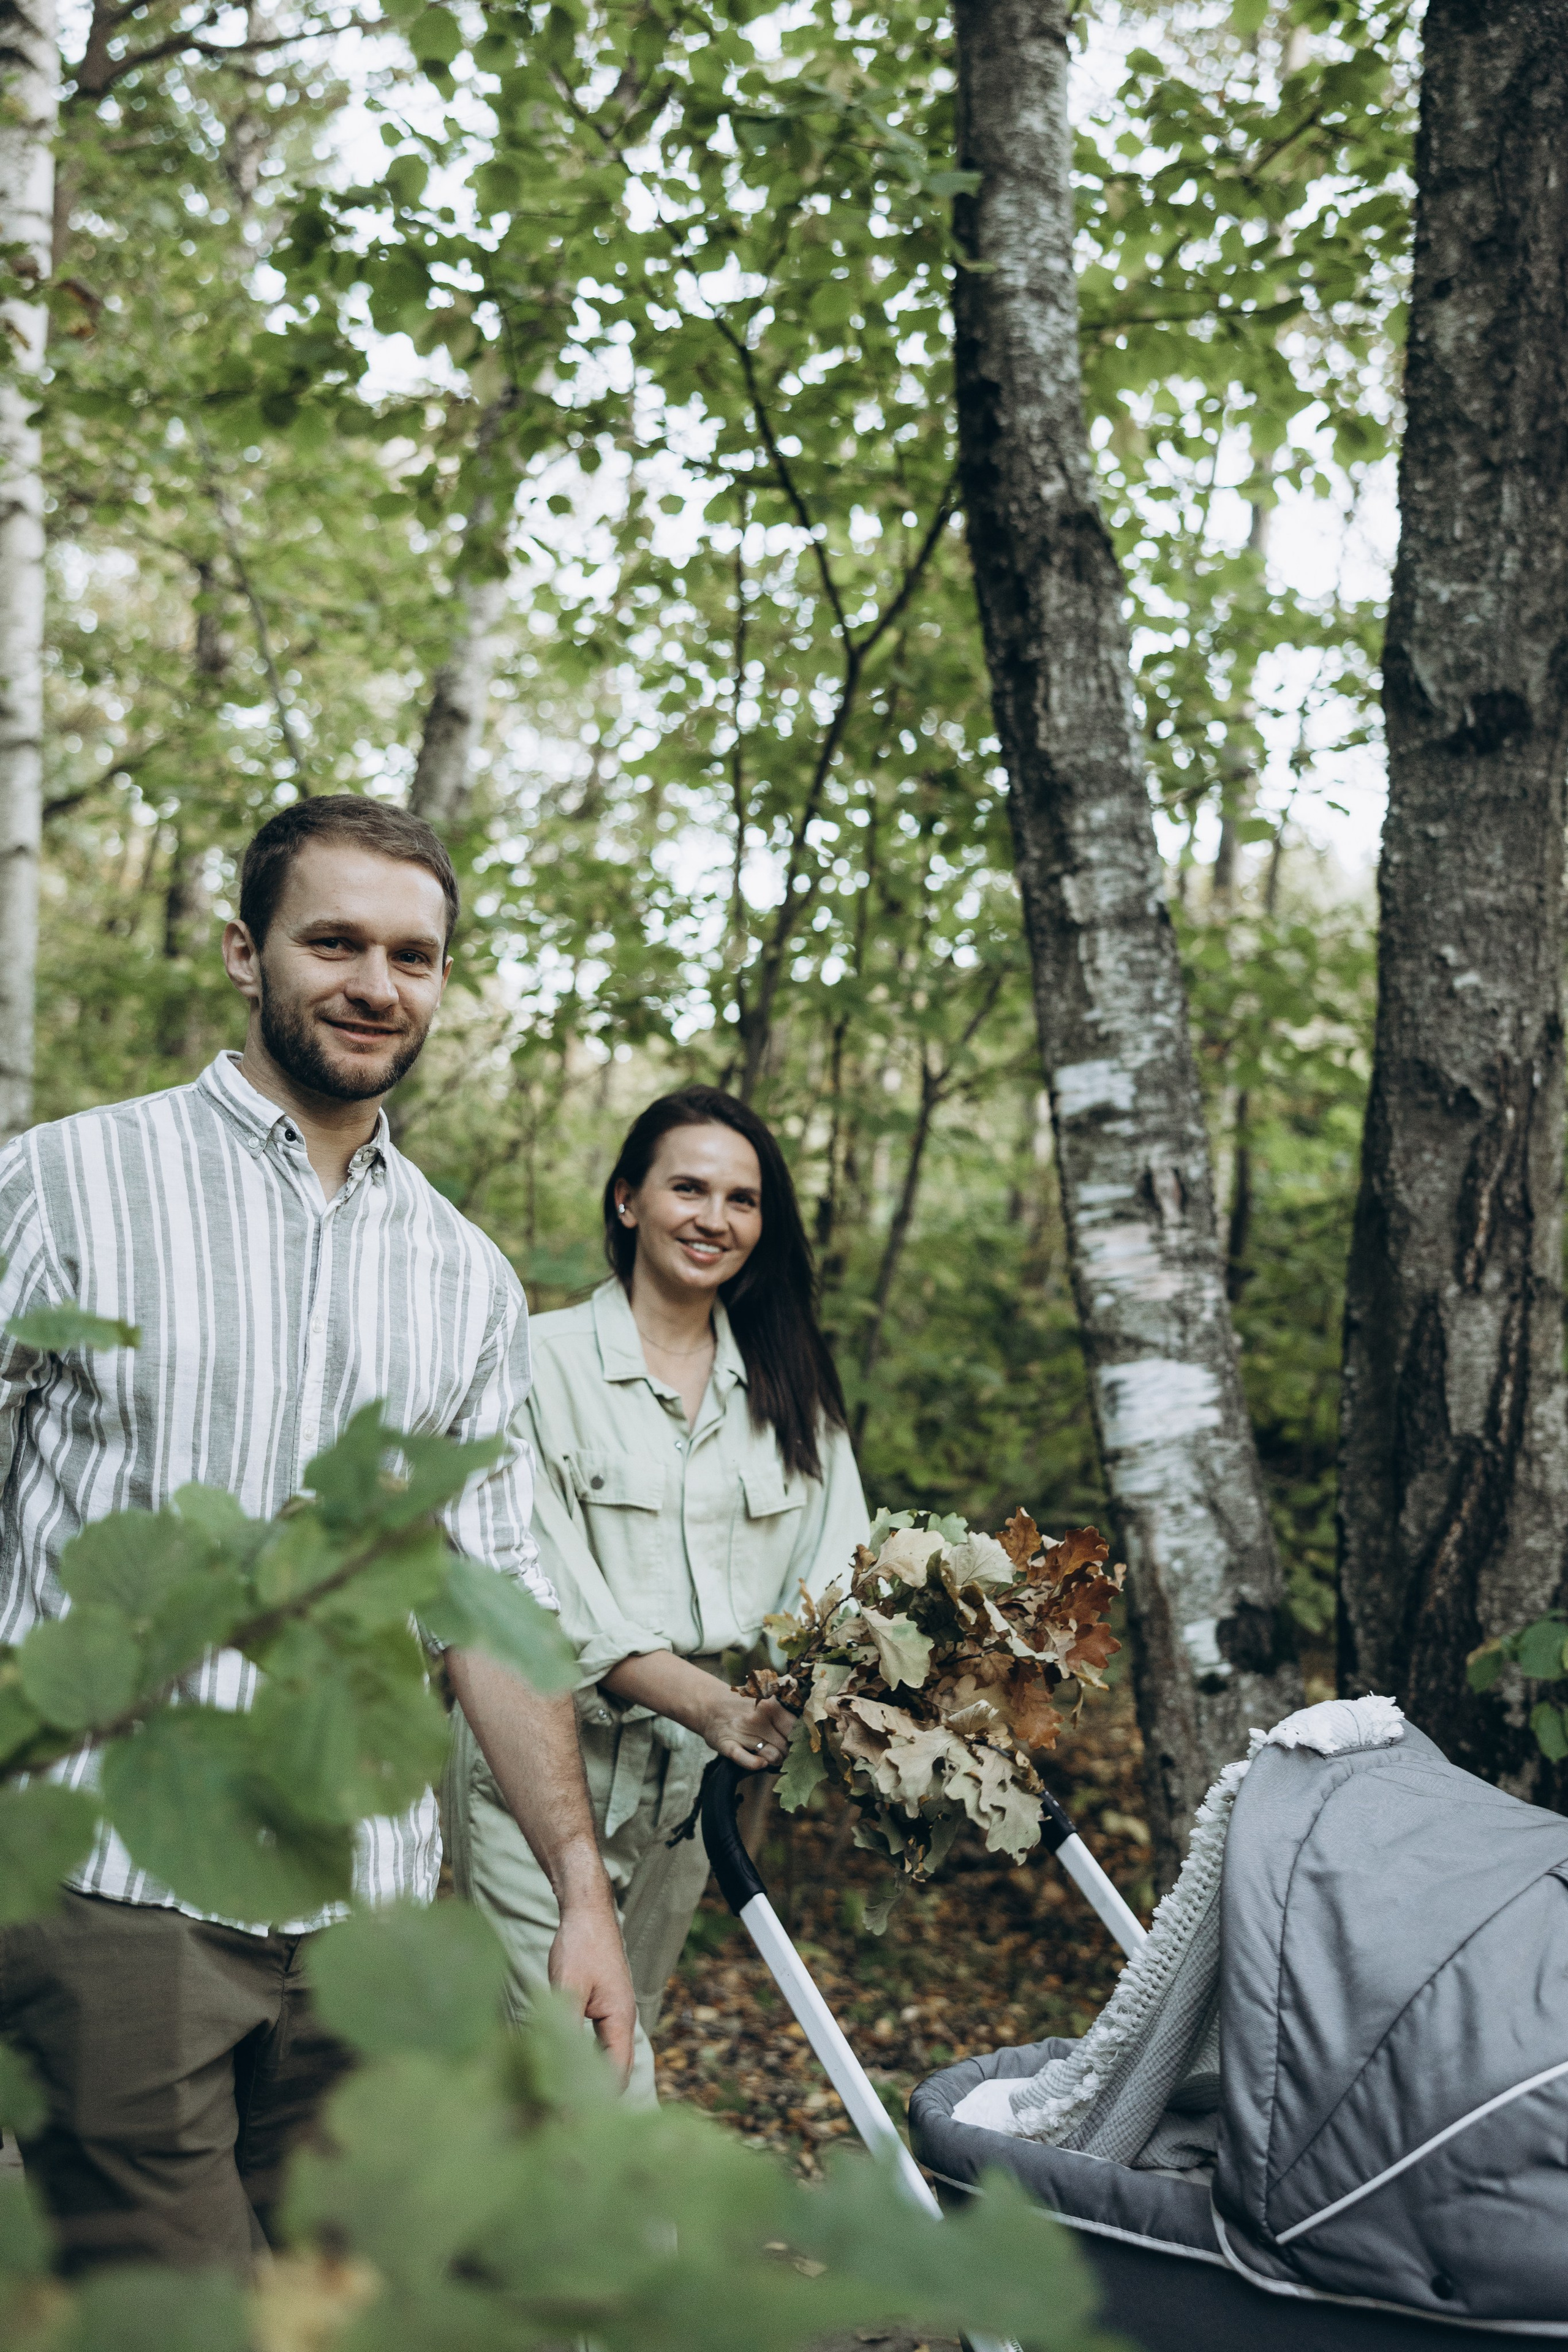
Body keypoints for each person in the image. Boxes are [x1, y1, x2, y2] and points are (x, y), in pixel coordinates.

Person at [0, 796, 635, 2274]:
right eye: (333, 941)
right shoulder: (65, 1184)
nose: (374, 984)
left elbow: (491, 1599)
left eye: (411, 955)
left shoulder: (466, 1276)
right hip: (116, 1899)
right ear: (246, 950)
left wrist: (582, 1899)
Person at [443, 1085, 868, 2105]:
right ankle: (640, 2262)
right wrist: (714, 1704)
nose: (713, 1218)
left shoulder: (790, 1391)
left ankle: (479, 2243)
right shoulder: (531, 1364)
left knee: (598, 2047)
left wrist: (824, 1698)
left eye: (741, 1198)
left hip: (696, 1790)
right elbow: (537, 1595)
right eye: (688, 1187)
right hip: (540, 1762)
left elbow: (845, 1579)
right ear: (628, 1200)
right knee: (592, 2070)